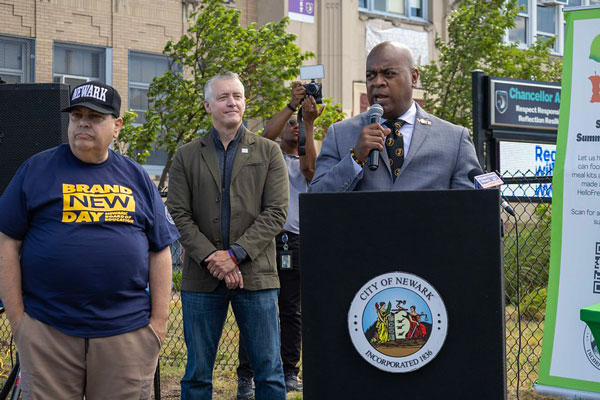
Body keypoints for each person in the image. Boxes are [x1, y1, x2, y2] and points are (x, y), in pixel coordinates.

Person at [0, 81, 180, 399]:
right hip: (48, 332)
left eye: (95, 116)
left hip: (125, 336)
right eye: (77, 115)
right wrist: (19, 323)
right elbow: (7, 242)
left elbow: (160, 250)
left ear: (117, 126)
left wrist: (158, 325)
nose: (83, 122)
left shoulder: (137, 177)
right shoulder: (36, 169)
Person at [167, 72, 289, 400]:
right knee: (196, 374)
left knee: (269, 371)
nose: (232, 102)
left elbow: (276, 213)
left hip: (257, 277)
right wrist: (213, 257)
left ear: (245, 102)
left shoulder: (268, 152)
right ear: (208, 105)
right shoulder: (187, 155)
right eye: (223, 97)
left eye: (237, 96)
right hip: (202, 279)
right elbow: (179, 214)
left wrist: (234, 255)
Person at [236, 82, 321, 399]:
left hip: (295, 241)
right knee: (256, 308)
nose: (295, 129)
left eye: (299, 125)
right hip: (262, 241)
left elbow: (312, 170)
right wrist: (291, 104)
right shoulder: (265, 156)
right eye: (292, 124)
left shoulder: (306, 153)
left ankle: (289, 371)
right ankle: (247, 376)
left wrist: (309, 126)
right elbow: (262, 137)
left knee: (290, 310)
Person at [308, 41, 480, 193]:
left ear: (414, 77)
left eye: (388, 74)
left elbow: (470, 208)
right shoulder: (340, 134)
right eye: (370, 76)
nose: (377, 82)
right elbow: (315, 199)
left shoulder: (454, 138)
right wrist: (355, 159)